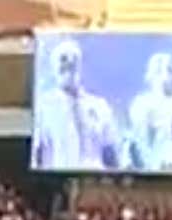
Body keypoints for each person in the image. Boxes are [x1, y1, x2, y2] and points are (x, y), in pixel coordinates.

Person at [32, 37, 124, 170]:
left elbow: (110, 152)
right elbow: (38, 153)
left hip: (95, 181)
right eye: (63, 59)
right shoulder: (44, 107)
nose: (69, 62)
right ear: (54, 68)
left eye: (73, 59)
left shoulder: (99, 106)